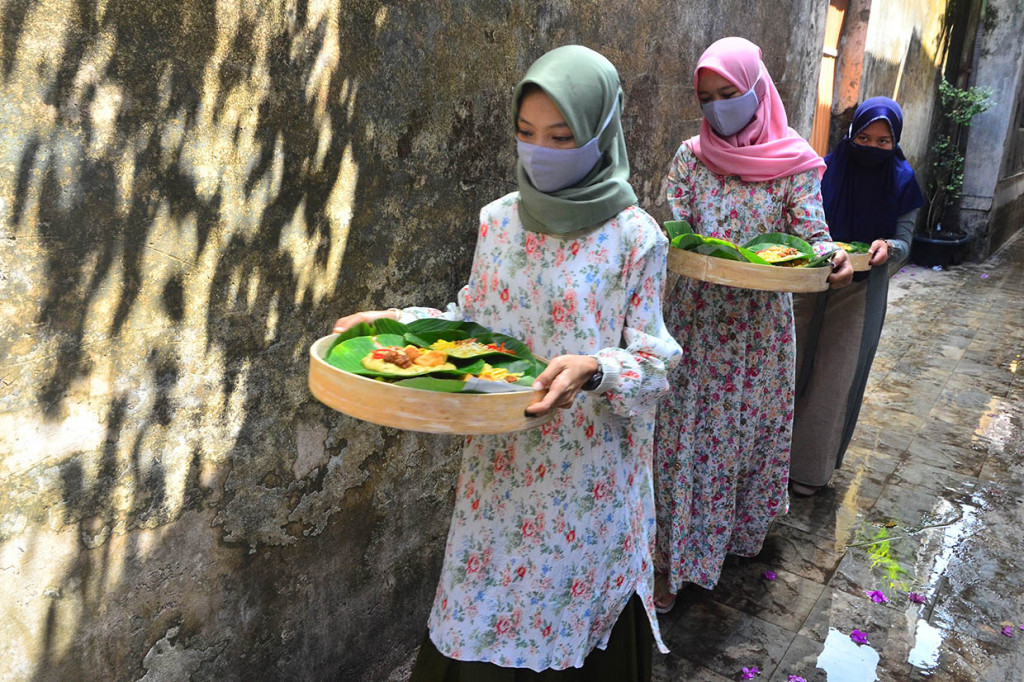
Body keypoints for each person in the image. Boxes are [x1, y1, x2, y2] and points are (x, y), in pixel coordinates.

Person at [334, 45, 681, 680]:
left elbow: (655, 366)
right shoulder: (498, 222)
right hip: (501, 472)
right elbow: (470, 323)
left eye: (561, 135)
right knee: (479, 616)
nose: (539, 150)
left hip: (588, 485)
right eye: (526, 133)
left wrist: (594, 369)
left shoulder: (637, 237)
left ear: (601, 134)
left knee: (571, 628)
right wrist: (394, 327)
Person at [652, 36, 853, 612]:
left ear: (758, 89)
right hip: (696, 325)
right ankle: (672, 562)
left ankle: (730, 539)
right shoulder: (691, 157)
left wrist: (830, 256)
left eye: (729, 92)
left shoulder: (793, 162)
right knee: (685, 443)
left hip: (760, 333)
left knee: (744, 437)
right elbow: (678, 229)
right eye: (706, 97)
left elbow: (813, 236)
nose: (717, 106)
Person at [788, 97, 924, 496]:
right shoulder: (824, 170)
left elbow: (904, 239)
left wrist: (889, 249)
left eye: (884, 142)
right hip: (811, 280)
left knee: (836, 377)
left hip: (862, 289)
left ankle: (810, 471)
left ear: (895, 142)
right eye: (864, 137)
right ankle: (769, 464)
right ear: (851, 133)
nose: (873, 148)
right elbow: (800, 220)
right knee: (790, 369)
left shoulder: (903, 180)